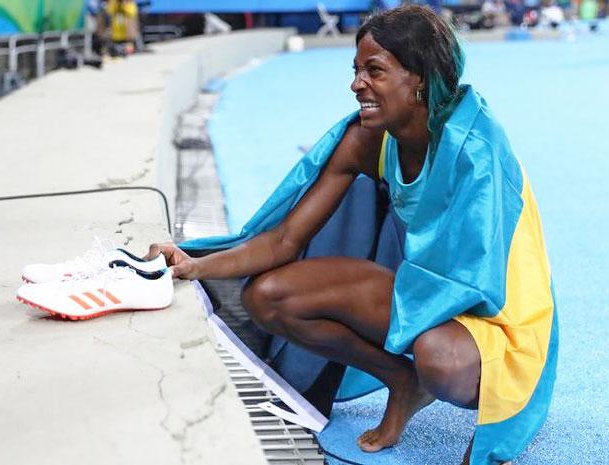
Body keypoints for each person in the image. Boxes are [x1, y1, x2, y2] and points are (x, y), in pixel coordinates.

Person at [146, 6, 557, 465]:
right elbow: (284, 239)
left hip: (497, 317)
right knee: (270, 297)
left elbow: (476, 280)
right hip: (424, 295)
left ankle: (428, 375)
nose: (356, 83)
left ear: (420, 78)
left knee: (437, 356)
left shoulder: (475, 151)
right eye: (356, 69)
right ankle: (403, 381)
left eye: (374, 70)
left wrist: (407, 312)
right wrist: (192, 264)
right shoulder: (369, 138)